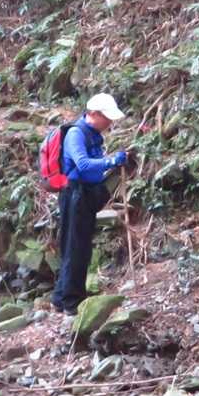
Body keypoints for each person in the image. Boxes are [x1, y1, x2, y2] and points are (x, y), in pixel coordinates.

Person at [51, 93, 128, 316]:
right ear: (93, 114)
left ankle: (61, 298)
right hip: (74, 194)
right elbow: (83, 164)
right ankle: (72, 303)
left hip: (85, 194)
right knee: (75, 247)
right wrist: (111, 161)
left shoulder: (93, 134)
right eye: (107, 117)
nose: (110, 122)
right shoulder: (76, 134)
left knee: (79, 246)